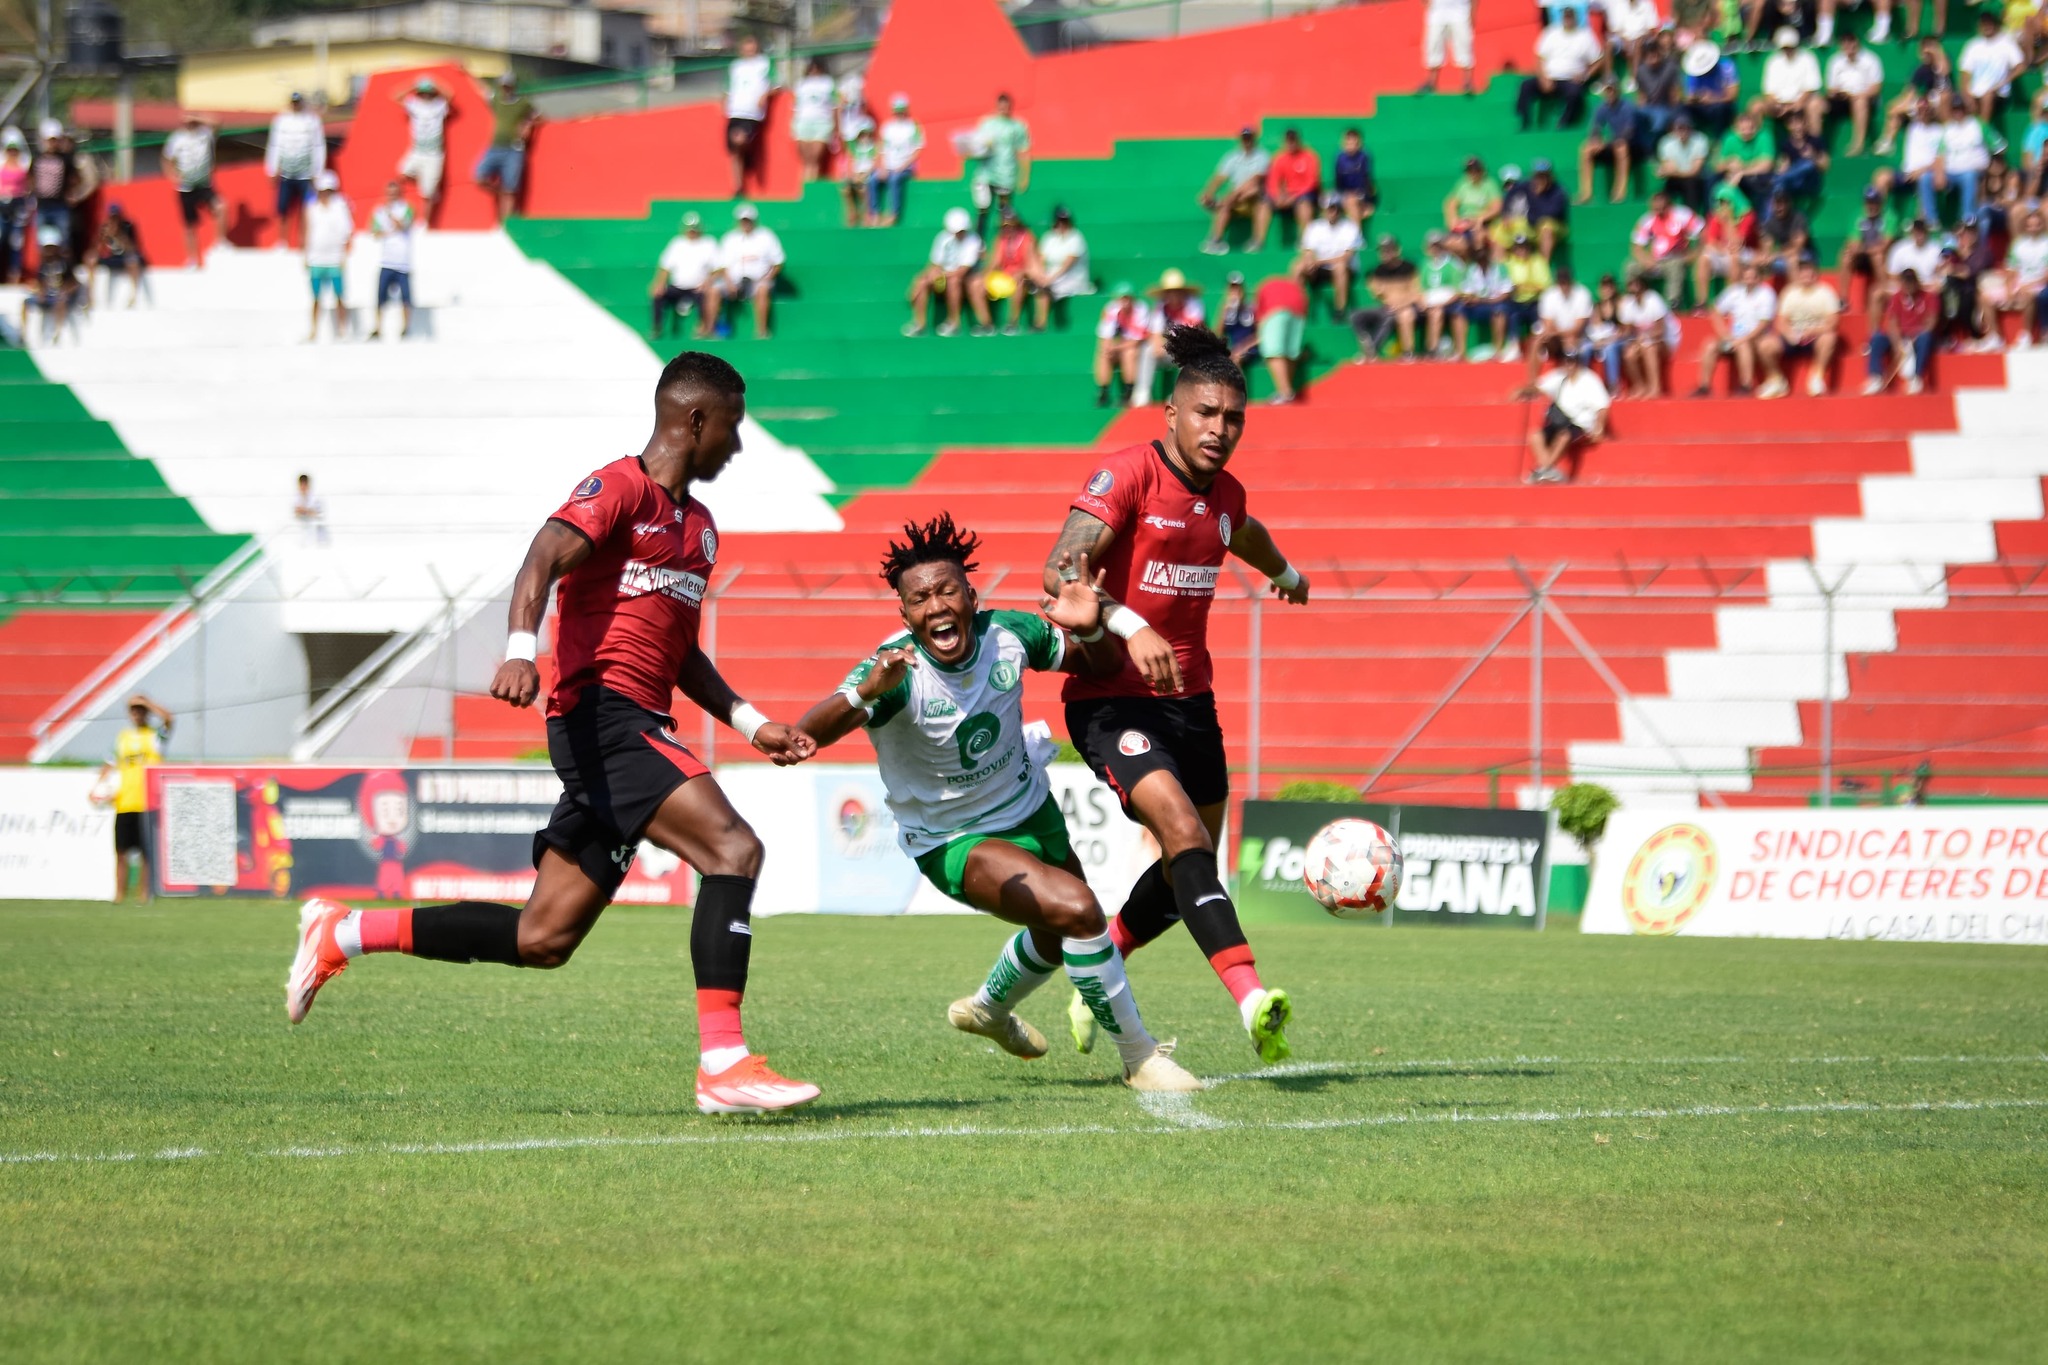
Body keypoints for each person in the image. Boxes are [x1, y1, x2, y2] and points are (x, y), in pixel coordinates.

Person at [287, 352, 822, 1117]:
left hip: (635, 722)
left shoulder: (699, 531)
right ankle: (723, 1063)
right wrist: (517, 651)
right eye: (731, 427)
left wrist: (748, 719)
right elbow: (543, 554)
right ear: (694, 419)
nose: (736, 446)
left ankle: (345, 930)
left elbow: (679, 652)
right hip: (601, 718)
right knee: (734, 850)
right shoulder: (619, 488)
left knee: (543, 936)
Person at [795, 517, 1201, 1093]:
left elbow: (1103, 667)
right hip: (953, 839)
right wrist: (866, 692)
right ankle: (1140, 1059)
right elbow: (809, 734)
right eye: (919, 599)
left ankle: (987, 1011)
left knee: (1059, 934)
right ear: (905, 615)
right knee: (1081, 910)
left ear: (970, 596)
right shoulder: (896, 669)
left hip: (1030, 807)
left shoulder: (1008, 634)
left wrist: (1091, 632)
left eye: (947, 591)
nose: (936, 606)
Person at [1043, 326, 1308, 1063]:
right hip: (1111, 698)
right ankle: (1254, 998)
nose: (1220, 430)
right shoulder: (1127, 474)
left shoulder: (1225, 495)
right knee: (1185, 837)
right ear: (1172, 411)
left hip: (1193, 702)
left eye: (1234, 419)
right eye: (1207, 414)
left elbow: (1240, 530)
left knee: (1187, 866)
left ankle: (1102, 968)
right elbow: (1058, 567)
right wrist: (1129, 625)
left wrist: (1286, 575)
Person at [98, 696, 172, 903]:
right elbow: (109, 764)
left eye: (141, 710)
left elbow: (169, 719)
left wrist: (148, 702)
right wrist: (97, 787)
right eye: (134, 710)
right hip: (124, 802)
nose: (137, 714)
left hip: (147, 802)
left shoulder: (154, 736)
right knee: (121, 851)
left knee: (145, 854)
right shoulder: (122, 738)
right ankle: (119, 895)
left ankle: (143, 895)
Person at [1696, 257, 1779, 396]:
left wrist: (1743, 339)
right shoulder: (1734, 291)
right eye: (1746, 277)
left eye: (1753, 277)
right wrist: (1725, 335)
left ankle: (1746, 385)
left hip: (1757, 338)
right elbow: (1716, 311)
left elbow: (1764, 323)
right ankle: (1704, 387)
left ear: (1759, 278)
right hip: (1734, 337)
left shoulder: (1766, 293)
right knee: (1710, 345)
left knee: (1743, 345)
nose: (1750, 280)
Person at [1759, 255, 1841, 396]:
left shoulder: (1825, 292)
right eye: (1803, 272)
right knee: (1765, 345)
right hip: (1792, 336)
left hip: (1815, 336)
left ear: (1815, 274)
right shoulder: (1789, 293)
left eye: (1809, 272)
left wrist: (1813, 331)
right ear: (1798, 274)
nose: (1806, 276)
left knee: (1829, 338)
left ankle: (1816, 377)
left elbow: (1833, 322)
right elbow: (1781, 321)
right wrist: (1789, 334)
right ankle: (1777, 380)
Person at [1526, 348, 1609, 483]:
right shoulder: (1558, 376)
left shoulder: (1590, 379)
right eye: (1567, 361)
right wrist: (1522, 390)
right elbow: (1539, 387)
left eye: (1572, 362)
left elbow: (1602, 405)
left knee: (1564, 436)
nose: (1569, 365)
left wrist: (1599, 427)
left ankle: (1543, 470)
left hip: (1580, 423)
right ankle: (1548, 470)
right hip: (1560, 421)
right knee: (1535, 435)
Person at [906, 206, 986, 338]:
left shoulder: (974, 240)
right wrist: (925, 277)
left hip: (964, 278)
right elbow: (935, 263)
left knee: (953, 281)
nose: (958, 233)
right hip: (944, 276)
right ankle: (919, 324)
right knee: (922, 281)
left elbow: (962, 271)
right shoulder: (942, 238)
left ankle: (953, 322)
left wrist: (941, 275)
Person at [1518, 9, 1604, 131]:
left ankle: (1564, 123)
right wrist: (1543, 78)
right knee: (1525, 86)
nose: (1568, 19)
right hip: (1549, 77)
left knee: (1574, 92)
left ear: (1576, 18)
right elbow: (1539, 58)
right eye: (1566, 17)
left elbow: (1599, 60)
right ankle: (1524, 120)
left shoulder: (1585, 36)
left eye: (1570, 17)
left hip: (1570, 79)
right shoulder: (1551, 33)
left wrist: (1585, 75)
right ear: (1562, 18)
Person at [649, 211, 724, 341]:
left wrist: (707, 282)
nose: (692, 232)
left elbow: (718, 268)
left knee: (705, 296)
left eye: (694, 229)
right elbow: (665, 267)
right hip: (677, 286)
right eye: (690, 229)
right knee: (658, 295)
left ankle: (703, 328)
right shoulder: (676, 244)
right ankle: (657, 327)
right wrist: (660, 283)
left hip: (698, 288)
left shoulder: (708, 243)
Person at [1136, 269, 1207, 404]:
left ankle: (1178, 394)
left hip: (1189, 349)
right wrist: (1158, 345)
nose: (1173, 295)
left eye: (1176, 291)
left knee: (1188, 352)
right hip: (1169, 349)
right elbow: (1155, 333)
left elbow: (1193, 334)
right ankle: (1143, 393)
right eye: (1169, 292)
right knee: (1147, 349)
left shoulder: (1194, 305)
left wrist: (1171, 345)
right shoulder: (1160, 306)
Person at [1199, 127, 1273, 255]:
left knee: (1253, 193)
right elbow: (1220, 177)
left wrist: (1231, 196)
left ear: (1254, 139)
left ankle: (1257, 241)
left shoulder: (1262, 156)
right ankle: (1216, 240)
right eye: (1245, 138)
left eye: (1249, 138)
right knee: (1225, 206)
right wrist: (1208, 193)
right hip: (1237, 199)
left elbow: (1255, 181)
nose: (1247, 141)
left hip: (1254, 198)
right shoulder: (1233, 157)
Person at [265, 93, 325, 250]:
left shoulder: (312, 121)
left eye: (298, 102)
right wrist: (272, 168)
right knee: (282, 207)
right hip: (286, 172)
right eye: (293, 102)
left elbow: (318, 146)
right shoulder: (281, 120)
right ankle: (281, 241)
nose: (295, 105)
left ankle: (303, 242)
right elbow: (274, 145)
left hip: (305, 173)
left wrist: (317, 171)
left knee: (307, 208)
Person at [967, 92, 1031, 237]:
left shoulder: (1018, 126)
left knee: (1004, 210)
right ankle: (979, 242)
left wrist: (1024, 177)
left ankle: (1004, 242)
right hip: (986, 172)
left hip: (1006, 173)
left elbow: (1024, 151)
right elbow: (976, 145)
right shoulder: (987, 123)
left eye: (1006, 106)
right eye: (1001, 106)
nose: (1003, 109)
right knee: (983, 207)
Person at [162, 113, 223, 266]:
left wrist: (198, 118)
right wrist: (172, 176)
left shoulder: (205, 134)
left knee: (221, 207)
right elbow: (167, 159)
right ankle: (192, 259)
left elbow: (218, 124)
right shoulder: (176, 138)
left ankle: (220, 242)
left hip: (204, 183)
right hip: (186, 187)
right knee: (190, 225)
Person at [475, 75, 537, 222]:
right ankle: (499, 192)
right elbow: (481, 90)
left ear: (513, 86)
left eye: (508, 85)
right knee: (479, 177)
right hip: (495, 147)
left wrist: (527, 126)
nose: (505, 88)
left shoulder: (523, 103)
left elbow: (536, 115)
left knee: (510, 190)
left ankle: (505, 224)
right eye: (503, 86)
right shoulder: (497, 100)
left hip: (513, 149)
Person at [1864, 269, 1936, 393]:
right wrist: (1897, 344)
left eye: (1912, 282)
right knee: (1877, 338)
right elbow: (1892, 323)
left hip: (1918, 336)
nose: (1909, 285)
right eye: (1907, 282)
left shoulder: (1929, 297)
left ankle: (1916, 378)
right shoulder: (1897, 297)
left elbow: (1932, 320)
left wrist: (1915, 337)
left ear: (1917, 282)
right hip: (1902, 336)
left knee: (1925, 337)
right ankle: (1876, 377)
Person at [1935, 94, 2002, 228]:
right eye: (1955, 109)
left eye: (1961, 108)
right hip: (1951, 172)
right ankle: (1931, 220)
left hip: (1974, 171)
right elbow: (1940, 155)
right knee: (1926, 178)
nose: (1958, 111)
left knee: (1969, 176)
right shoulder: (1947, 129)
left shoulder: (1979, 125)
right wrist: (1939, 174)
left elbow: (1999, 147)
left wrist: (1993, 169)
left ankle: (1968, 218)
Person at [1352, 234, 1422, 361]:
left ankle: (1405, 353)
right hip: (1386, 308)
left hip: (1406, 307)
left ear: (1397, 250)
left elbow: (1416, 293)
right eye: (1383, 250)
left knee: (1400, 315)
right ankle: (1368, 348)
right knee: (1356, 315)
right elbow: (1378, 294)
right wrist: (1389, 300)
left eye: (1389, 250)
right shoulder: (1376, 271)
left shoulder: (1409, 268)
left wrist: (1400, 304)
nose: (1386, 253)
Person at [1629, 189, 1704, 305]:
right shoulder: (1647, 220)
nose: (1659, 211)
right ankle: (1634, 300)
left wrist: (1693, 254)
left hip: (1675, 257)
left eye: (1662, 208)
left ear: (1668, 205)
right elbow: (1637, 247)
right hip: (1655, 261)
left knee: (1675, 265)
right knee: (1631, 267)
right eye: (1655, 208)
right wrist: (1645, 260)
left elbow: (1702, 232)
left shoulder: (1682, 215)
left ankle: (1674, 302)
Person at [719, 203, 783, 339]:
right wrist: (729, 283)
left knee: (762, 289)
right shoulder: (729, 238)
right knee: (713, 291)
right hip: (734, 281)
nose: (746, 223)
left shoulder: (767, 236)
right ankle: (710, 330)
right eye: (743, 220)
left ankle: (762, 331)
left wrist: (767, 278)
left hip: (759, 280)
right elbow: (722, 265)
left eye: (748, 220)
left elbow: (778, 263)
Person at [303, 171, 353, 343]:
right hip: (316, 259)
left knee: (339, 296)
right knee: (316, 297)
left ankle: (342, 330)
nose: (325, 194)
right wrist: (306, 256)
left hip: (334, 259)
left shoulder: (340, 207)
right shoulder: (312, 209)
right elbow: (308, 232)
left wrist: (344, 257)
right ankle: (314, 330)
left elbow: (346, 232)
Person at [1878, 41, 1953, 156]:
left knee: (1944, 98)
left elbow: (1945, 71)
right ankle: (1888, 142)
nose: (1927, 54)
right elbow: (1909, 92)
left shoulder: (1942, 64)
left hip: (1942, 102)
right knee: (1894, 108)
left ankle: (1949, 138)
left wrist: (1937, 52)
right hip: (1926, 101)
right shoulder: (1920, 69)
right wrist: (1899, 106)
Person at [1526, 264, 1593, 387]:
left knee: (1571, 341)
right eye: (1561, 282)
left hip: (1577, 337)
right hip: (1556, 338)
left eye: (1566, 282)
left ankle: (1573, 383)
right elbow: (1548, 324)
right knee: (1536, 341)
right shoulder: (1549, 295)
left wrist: (1561, 334)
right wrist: (1560, 334)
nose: (1564, 285)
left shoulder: (1582, 294)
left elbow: (1578, 328)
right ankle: (1532, 382)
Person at [366, 180, 417, 341]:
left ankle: (406, 327)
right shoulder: (379, 211)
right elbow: (375, 233)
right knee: (380, 297)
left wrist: (391, 217)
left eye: (394, 192)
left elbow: (404, 225)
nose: (391, 196)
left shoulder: (406, 208)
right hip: (386, 260)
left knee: (406, 298)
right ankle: (378, 327)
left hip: (403, 261)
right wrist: (387, 227)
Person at [983, 207, 1047, 333]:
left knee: (1020, 282)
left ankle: (1013, 322)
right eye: (1005, 225)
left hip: (1022, 276)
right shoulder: (1000, 239)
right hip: (1005, 277)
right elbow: (995, 261)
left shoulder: (1027, 237)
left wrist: (1021, 272)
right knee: (976, 284)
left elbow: (1031, 263)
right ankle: (987, 324)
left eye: (1010, 224)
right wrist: (985, 276)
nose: (1007, 228)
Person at [1579, 81, 1643, 205]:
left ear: (1618, 91)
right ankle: (1586, 192)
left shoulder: (1628, 107)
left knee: (1621, 147)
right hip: (1614, 144)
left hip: (1634, 146)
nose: (1610, 93)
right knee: (1586, 149)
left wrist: (1606, 143)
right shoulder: (1601, 107)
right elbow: (1595, 128)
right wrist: (1596, 140)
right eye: (1607, 91)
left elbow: (1629, 132)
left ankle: (1620, 191)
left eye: (1612, 90)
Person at [725, 34, 774, 197]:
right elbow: (728, 87)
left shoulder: (764, 63)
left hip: (752, 113)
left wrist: (765, 95)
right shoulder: (736, 66)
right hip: (735, 111)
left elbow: (777, 83)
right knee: (734, 150)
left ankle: (749, 158)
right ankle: (738, 186)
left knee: (740, 140)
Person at [397, 78, 451, 222]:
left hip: (434, 154)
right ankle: (427, 183)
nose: (425, 95)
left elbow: (451, 95)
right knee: (402, 173)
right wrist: (413, 85)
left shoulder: (439, 105)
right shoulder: (414, 104)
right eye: (423, 92)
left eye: (428, 92)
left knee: (427, 195)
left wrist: (436, 84)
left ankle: (424, 223)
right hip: (416, 151)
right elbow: (395, 96)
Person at [1295, 197, 1360, 316]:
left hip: (1344, 269)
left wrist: (1318, 262)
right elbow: (1308, 250)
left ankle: (1340, 310)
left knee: (1340, 267)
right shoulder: (1314, 227)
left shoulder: (1350, 227)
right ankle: (1296, 308)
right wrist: (1309, 262)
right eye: (1329, 209)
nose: (1332, 212)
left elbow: (1346, 257)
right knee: (1298, 267)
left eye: (1335, 208)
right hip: (1320, 268)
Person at [1619, 272, 1681, 397]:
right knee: (1629, 354)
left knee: (1649, 347)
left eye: (1637, 287)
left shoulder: (1653, 300)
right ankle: (1639, 386)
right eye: (1631, 288)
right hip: (1642, 341)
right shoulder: (1628, 303)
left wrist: (1644, 338)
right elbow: (1627, 330)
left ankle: (1655, 387)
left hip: (1666, 341)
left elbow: (1660, 331)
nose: (1634, 292)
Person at [1958, 12, 2026, 123]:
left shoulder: (2006, 43)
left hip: (1998, 94)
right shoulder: (1972, 45)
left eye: (1989, 23)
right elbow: (1965, 73)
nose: (1987, 26)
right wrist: (1967, 95)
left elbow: (2020, 67)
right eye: (1984, 24)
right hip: (1976, 93)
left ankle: (1983, 132)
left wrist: (2002, 83)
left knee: (1987, 96)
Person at [1251, 271, 1308, 401]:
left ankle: (1285, 392)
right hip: (1298, 315)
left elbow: (1260, 313)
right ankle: (1287, 391)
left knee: (1274, 352)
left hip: (1275, 313)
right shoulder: (1299, 290)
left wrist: (1261, 331)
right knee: (1289, 354)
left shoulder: (1268, 284)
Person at [1825, 33, 1884, 158]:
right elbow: (1830, 88)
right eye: (1845, 42)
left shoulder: (1871, 60)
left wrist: (1858, 95)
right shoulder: (1835, 61)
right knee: (1816, 104)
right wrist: (1839, 93)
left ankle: (1858, 144)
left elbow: (1876, 88)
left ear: (1857, 42)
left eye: (1851, 42)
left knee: (1860, 101)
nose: (1849, 46)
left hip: (1865, 98)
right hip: (1842, 99)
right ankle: (1818, 146)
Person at [1458, 239, 1516, 358]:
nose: (1482, 262)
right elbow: (1466, 293)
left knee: (1499, 311)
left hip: (1495, 303)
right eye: (1479, 260)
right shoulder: (1470, 270)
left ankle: (1498, 350)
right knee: (1459, 311)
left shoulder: (1500, 268)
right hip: (1479, 305)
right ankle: (1461, 351)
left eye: (1484, 259)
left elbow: (1506, 293)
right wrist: (1471, 299)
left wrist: (1482, 300)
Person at [872, 94, 923, 227]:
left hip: (905, 167)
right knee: (872, 180)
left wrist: (902, 166)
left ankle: (894, 213)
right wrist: (882, 167)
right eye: (897, 111)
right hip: (888, 166)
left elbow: (918, 150)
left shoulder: (913, 126)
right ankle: (874, 214)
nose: (899, 114)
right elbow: (881, 149)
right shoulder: (887, 127)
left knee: (895, 179)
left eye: (901, 111)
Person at [1094, 281, 1148, 406]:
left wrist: (1116, 347)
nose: (1125, 302)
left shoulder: (1141, 309)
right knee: (1104, 353)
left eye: (1128, 298)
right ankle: (1103, 390)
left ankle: (1129, 390)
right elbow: (1105, 335)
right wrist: (1108, 347)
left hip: (1135, 347)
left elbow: (1137, 340)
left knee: (1129, 353)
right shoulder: (1111, 309)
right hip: (1119, 344)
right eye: (1122, 298)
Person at [1265, 128, 1322, 239]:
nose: (1291, 143)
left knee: (1304, 205)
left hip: (1304, 194)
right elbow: (1273, 181)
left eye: (1293, 140)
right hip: (1285, 196)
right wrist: (1277, 197)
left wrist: (1294, 197)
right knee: (1263, 204)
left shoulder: (1309, 156)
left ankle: (1305, 241)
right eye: (1288, 141)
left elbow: (1312, 182)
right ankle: (1258, 242)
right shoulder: (1279, 158)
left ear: (1298, 141)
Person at [1717, 110, 1778, 214]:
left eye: (1751, 128)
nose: (1747, 132)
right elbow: (1719, 166)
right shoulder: (1729, 138)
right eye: (1743, 129)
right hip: (1735, 177)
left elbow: (1767, 165)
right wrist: (1729, 163)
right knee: (1714, 181)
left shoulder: (1764, 136)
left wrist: (1742, 171)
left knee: (1763, 185)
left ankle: (1763, 221)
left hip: (1759, 178)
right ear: (1735, 129)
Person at [2005, 205, 2048, 348]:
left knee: (2030, 296)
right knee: (1985, 297)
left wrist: (2026, 286)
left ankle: (2026, 335)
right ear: (2026, 226)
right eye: (2030, 225)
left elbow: (2046, 276)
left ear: (2042, 225)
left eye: (2037, 224)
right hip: (2021, 283)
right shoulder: (2018, 244)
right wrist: (2011, 288)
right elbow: (2011, 270)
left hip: (2039, 285)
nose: (2033, 228)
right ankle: (1994, 336)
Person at [88, 202, 145, 309]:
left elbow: (132, 248)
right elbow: (97, 248)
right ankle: (91, 296)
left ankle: (133, 295)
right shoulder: (105, 227)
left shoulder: (128, 226)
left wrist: (119, 235)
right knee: (90, 258)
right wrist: (104, 238)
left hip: (123, 257)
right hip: (111, 257)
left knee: (132, 260)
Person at [1443, 156, 1504, 256]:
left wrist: (1478, 219)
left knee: (1480, 239)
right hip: (1464, 223)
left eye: (1475, 170)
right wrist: (1453, 220)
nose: (1472, 173)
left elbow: (1496, 207)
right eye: (1469, 170)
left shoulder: (1489, 184)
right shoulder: (1463, 184)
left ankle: (1481, 266)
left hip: (1484, 224)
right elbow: (1451, 203)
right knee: (1450, 243)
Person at [1418, 229, 1466, 356]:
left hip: (1448, 301)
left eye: (1438, 246)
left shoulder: (1453, 264)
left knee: (1437, 313)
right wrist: (1422, 301)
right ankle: (1428, 349)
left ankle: (1433, 349)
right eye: (1433, 246)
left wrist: (1441, 304)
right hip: (1430, 301)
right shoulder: (1425, 264)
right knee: (1431, 312)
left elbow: (1458, 291)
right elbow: (1420, 288)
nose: (1435, 249)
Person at [1759, 28, 1823, 123]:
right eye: (1785, 47)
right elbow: (1769, 92)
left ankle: (1815, 138)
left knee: (1815, 104)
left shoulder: (1808, 58)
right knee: (1756, 106)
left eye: (1790, 46)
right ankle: (1762, 138)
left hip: (1802, 102)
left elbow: (1811, 88)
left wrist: (1796, 105)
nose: (1787, 50)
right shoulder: (1773, 61)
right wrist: (1777, 105)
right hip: (1779, 103)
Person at [1038, 206, 1092, 317]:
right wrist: (1041, 276)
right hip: (1050, 276)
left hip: (1072, 278)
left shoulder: (1076, 237)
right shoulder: (1049, 237)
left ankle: (1041, 324)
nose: (1062, 224)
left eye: (1065, 221)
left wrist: (1050, 279)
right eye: (1059, 221)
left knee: (1045, 288)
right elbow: (1041, 259)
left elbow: (1068, 263)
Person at [1680, 41, 1739, 140]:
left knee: (1721, 109)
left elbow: (1732, 95)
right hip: (1701, 106)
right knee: (1683, 109)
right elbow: (1689, 96)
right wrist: (1696, 97)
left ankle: (1719, 139)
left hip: (1721, 105)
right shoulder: (1692, 73)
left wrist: (1712, 99)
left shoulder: (1726, 66)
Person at [1654, 113, 1712, 214]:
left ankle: (1691, 216)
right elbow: (1669, 168)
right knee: (1666, 189)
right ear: (1674, 129)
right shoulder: (1666, 142)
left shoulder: (1700, 140)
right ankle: (1665, 217)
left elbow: (1695, 171)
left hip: (1698, 179)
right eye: (1679, 128)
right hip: (1676, 179)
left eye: (1686, 128)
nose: (1683, 132)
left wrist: (1671, 171)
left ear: (1691, 128)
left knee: (1691, 184)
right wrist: (1671, 171)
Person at [791, 58, 835, 183]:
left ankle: (812, 186)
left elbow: (834, 105)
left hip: (822, 122)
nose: (814, 70)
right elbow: (795, 106)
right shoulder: (801, 84)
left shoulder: (828, 83)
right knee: (806, 160)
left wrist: (836, 127)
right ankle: (805, 187)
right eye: (812, 67)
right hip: (803, 122)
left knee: (815, 158)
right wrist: (792, 124)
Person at [1419, 0, 1477, 94]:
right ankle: (1431, 82)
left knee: (1464, 44)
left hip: (1460, 12)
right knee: (1434, 44)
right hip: (1437, 13)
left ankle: (1468, 82)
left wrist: (1473, 13)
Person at [1774, 107, 1830, 202]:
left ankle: (1779, 179)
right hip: (1794, 183)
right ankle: (1768, 216)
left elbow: (1825, 165)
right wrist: (1782, 169)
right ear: (1788, 126)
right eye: (1793, 124)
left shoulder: (1815, 141)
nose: (1797, 127)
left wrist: (1813, 156)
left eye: (1799, 123)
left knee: (1808, 164)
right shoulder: (1786, 144)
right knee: (1777, 189)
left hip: (1810, 182)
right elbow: (1784, 164)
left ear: (1805, 124)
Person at [1520, 159, 1571, 261]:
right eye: (1537, 176)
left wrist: (1537, 196)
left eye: (1543, 176)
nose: (1539, 179)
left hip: (1556, 227)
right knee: (1503, 229)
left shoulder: (1558, 191)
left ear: (1549, 177)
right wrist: (1506, 213)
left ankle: (1544, 267)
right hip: (1533, 224)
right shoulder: (1528, 187)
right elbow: (1512, 193)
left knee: (1546, 227)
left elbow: (1552, 213)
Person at [1331, 128, 1376, 227]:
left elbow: (1367, 181)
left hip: (1360, 193)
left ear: (1359, 143)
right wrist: (1343, 193)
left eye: (1353, 141)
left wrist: (1368, 202)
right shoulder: (1339, 158)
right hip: (1343, 193)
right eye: (1348, 141)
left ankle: (1356, 237)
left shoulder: (1364, 157)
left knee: (1352, 202)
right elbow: (1338, 182)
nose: (1350, 144)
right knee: (1326, 202)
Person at [0, 131, 25, 284]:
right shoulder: (2, 167)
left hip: (17, 206)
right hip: (2, 206)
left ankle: (14, 274)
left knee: (16, 242)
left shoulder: (23, 167)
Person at [842, 125, 879, 227]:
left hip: (867, 175)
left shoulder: (873, 149)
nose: (864, 139)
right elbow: (850, 165)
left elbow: (874, 164)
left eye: (867, 136)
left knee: (863, 189)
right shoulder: (855, 150)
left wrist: (863, 175)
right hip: (856, 175)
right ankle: (852, 211)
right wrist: (854, 175)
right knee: (846, 188)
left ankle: (866, 214)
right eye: (862, 136)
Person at [1216, 271, 1257, 355]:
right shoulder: (1226, 310)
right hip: (1234, 349)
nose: (1235, 292)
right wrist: (1223, 313)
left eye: (1238, 289)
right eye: (1232, 289)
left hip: (1249, 349)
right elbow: (1218, 334)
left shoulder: (1251, 308)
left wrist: (1243, 348)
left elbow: (1258, 334)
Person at [293, 472, 328, 544]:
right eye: (301, 485)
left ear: (308, 485)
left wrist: (305, 511)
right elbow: (296, 514)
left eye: (304, 485)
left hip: (316, 533)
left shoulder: (316, 498)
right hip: (303, 532)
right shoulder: (296, 498)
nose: (302, 488)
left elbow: (319, 515)